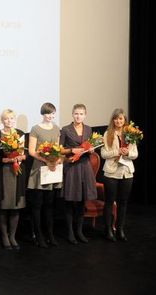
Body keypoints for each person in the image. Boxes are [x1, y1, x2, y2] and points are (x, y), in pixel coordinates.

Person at [60, 104, 99, 244]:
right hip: (71, 167)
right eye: (76, 113)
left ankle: (79, 232)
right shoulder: (65, 129)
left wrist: (92, 150)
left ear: (85, 115)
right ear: (72, 114)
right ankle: (70, 233)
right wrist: (72, 150)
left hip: (85, 166)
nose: (78, 116)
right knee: (70, 200)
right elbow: (60, 149)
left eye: (81, 114)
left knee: (82, 200)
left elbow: (91, 147)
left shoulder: (88, 129)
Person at [27, 102, 62, 248]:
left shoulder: (56, 128)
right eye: (48, 113)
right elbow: (31, 151)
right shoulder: (35, 129)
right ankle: (38, 235)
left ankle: (50, 235)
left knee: (49, 205)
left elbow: (57, 149)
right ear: (43, 113)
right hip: (39, 169)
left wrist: (56, 160)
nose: (50, 116)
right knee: (37, 205)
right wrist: (45, 160)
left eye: (52, 113)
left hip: (52, 170)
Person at [100, 108, 138, 242]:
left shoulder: (131, 133)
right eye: (116, 118)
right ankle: (108, 230)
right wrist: (117, 152)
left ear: (124, 120)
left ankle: (120, 229)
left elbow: (135, 154)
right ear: (113, 120)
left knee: (123, 202)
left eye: (120, 118)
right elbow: (103, 154)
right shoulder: (108, 133)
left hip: (126, 172)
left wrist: (128, 153)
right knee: (110, 202)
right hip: (111, 172)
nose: (118, 121)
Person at [0, 109, 27, 250]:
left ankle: (12, 236)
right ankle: (4, 236)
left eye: (12, 118)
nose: (9, 121)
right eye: (6, 118)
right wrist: (5, 159)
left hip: (17, 173)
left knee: (16, 206)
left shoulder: (20, 134)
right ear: (2, 121)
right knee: (3, 206)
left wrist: (22, 157)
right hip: (4, 173)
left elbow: (25, 154)